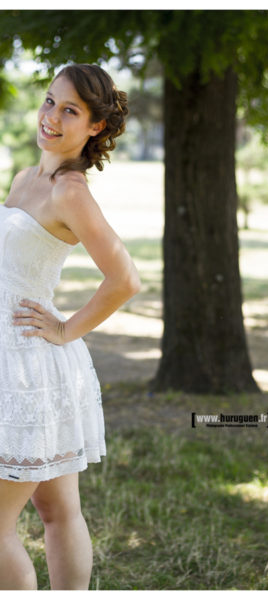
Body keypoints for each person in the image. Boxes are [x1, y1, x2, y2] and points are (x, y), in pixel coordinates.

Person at [0, 63, 140, 590]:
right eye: (49, 101)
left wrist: (64, 330)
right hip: (16, 357)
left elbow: (124, 278)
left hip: (30, 363)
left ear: (95, 127)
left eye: (71, 110)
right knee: (57, 509)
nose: (51, 117)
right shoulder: (25, 178)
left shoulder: (70, 192)